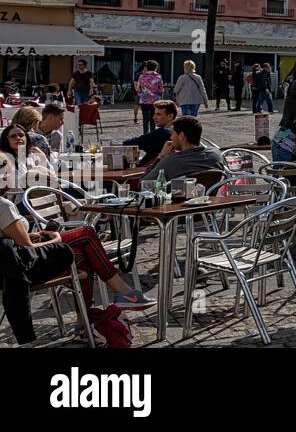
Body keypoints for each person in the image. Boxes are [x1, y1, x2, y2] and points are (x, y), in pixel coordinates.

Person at [0, 186, 153, 343]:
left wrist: (30, 235)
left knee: (82, 252)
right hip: (26, 268)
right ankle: (122, 294)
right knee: (86, 234)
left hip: (9, 272)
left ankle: (83, 324)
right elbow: (28, 250)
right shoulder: (3, 206)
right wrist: (56, 239)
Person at [152, 117, 224, 180]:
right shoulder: (216, 154)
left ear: (181, 135)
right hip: (208, 194)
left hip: (176, 195)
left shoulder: (172, 160)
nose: (171, 137)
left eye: (173, 133)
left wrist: (161, 156)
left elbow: (144, 182)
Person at [124, 99, 178, 165]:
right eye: (154, 114)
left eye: (158, 114)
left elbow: (128, 143)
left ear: (170, 116)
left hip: (150, 168)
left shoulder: (162, 133)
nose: (154, 117)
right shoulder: (177, 132)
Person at [135, 60, 164, 134]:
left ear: (146, 67)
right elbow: (161, 90)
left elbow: (138, 89)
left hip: (144, 100)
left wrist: (142, 94)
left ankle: (145, 135)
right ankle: (152, 134)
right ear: (156, 68)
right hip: (155, 101)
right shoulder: (158, 77)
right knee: (153, 119)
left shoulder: (141, 76)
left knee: (145, 119)